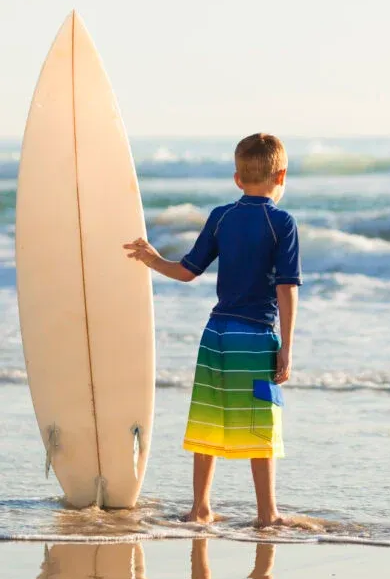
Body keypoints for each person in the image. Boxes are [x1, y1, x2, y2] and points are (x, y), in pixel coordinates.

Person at [123, 134, 302, 527]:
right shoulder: (282, 222)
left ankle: (200, 507)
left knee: (207, 417)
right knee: (261, 423)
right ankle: (267, 513)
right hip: (255, 339)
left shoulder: (221, 216)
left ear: (238, 178)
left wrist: (152, 259)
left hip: (215, 336)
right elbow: (286, 288)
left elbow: (187, 271)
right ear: (282, 175)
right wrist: (287, 346)